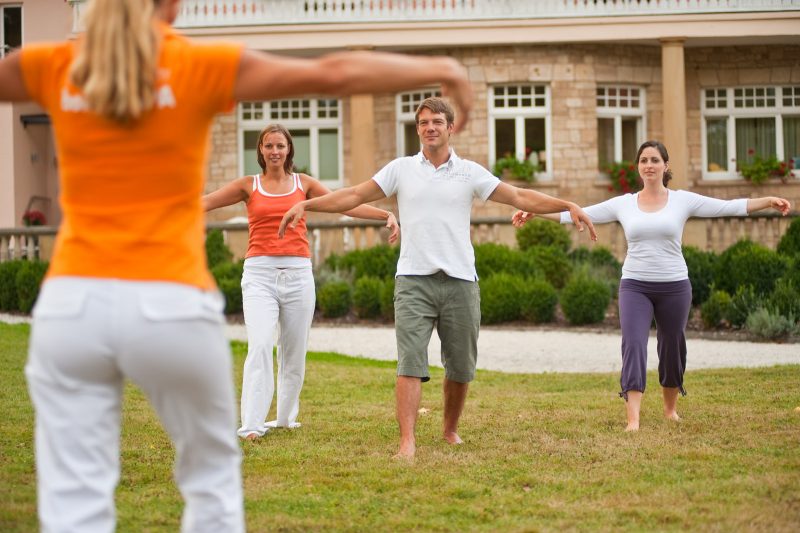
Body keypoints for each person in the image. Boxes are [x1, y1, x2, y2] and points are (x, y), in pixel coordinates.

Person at [0, 0, 474, 529]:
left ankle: (280, 415)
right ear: (173, 8)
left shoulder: (57, 65)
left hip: (71, 303)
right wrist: (444, 69)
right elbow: (334, 72)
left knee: (73, 498)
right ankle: (255, 423)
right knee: (210, 487)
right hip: (170, 299)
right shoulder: (198, 65)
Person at [279, 96, 596, 459]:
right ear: (418, 129)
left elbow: (520, 195)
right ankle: (407, 441)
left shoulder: (470, 172)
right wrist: (307, 203)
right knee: (410, 361)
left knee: (460, 366)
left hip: (461, 280)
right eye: (423, 122)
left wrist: (567, 205)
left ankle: (449, 429)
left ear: (450, 128)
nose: (430, 128)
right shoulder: (400, 169)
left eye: (437, 122)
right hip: (413, 279)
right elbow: (352, 195)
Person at [512, 140, 791, 431]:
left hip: (675, 286)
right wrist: (536, 212)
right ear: (638, 167)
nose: (649, 165)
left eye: (655, 160)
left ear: (665, 166)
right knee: (633, 344)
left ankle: (670, 410)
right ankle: (633, 419)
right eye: (644, 160)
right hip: (635, 286)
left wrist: (768, 200)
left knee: (672, 346)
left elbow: (727, 207)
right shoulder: (624, 203)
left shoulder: (682, 200)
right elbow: (579, 214)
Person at [203, 124, 398, 441]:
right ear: (261, 151)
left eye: (280, 146)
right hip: (259, 275)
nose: (275, 151)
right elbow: (206, 202)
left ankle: (283, 418)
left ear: (289, 150)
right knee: (261, 344)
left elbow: (344, 203)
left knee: (293, 352)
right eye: (269, 146)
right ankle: (252, 425)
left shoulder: (303, 184)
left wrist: (383, 215)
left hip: (298, 275)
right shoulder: (248, 185)